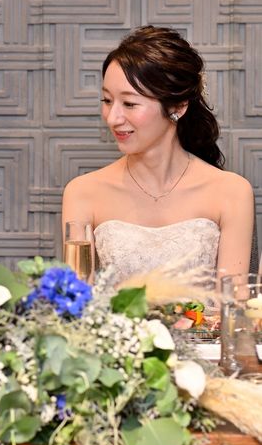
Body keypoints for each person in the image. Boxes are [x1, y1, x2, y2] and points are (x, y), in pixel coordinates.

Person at [62, 26, 254, 284]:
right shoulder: (82, 193)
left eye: (129, 103)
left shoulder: (232, 192)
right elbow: (76, 300)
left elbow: (234, 302)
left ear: (178, 106)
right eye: (107, 101)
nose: (113, 118)